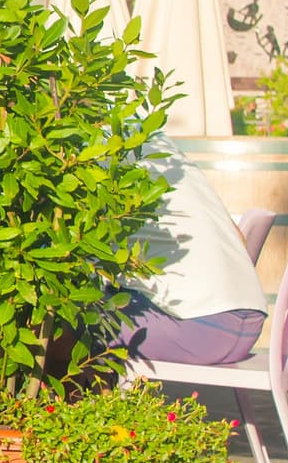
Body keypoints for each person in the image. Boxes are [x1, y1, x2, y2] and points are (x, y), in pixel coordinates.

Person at [111, 139, 268, 366]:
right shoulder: (157, 141)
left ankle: (73, 401)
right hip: (248, 321)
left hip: (203, 329)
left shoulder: (93, 157)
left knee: (70, 324)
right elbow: (239, 239)